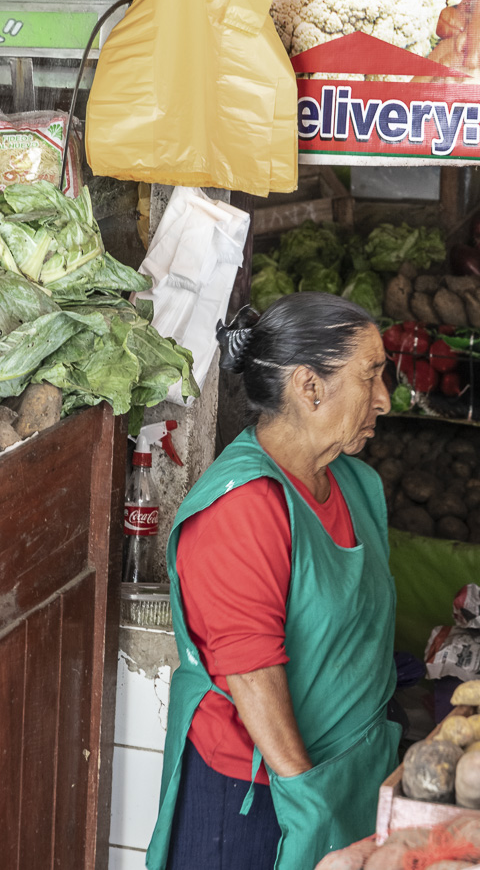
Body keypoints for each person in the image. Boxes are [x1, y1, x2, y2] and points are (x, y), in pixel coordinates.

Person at [146, 292, 401, 870]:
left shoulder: (355, 486)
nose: (384, 400)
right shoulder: (245, 508)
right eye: (371, 377)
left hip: (348, 778)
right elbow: (252, 674)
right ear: (309, 387)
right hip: (259, 799)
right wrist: (307, 802)